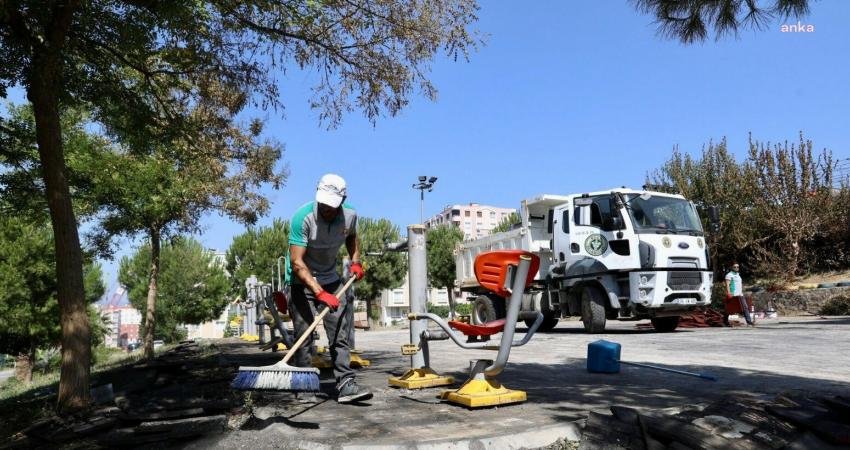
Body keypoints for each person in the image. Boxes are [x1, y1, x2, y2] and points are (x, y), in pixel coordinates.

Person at [287, 173, 371, 403]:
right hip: (301, 280)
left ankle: (346, 384)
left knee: (339, 333)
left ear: (343, 200)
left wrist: (355, 260)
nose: (326, 209)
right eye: (323, 204)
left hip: (331, 279)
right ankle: (303, 387)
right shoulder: (302, 218)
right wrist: (319, 292)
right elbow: (297, 262)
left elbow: (352, 237)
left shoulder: (350, 215)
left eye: (331, 205)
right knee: (303, 336)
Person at [724, 262, 754, 327]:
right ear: (731, 267)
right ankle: (725, 322)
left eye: (737, 267)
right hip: (733, 295)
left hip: (740, 294)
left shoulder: (738, 275)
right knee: (730, 309)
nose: (736, 268)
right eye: (735, 267)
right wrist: (729, 293)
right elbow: (727, 285)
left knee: (745, 308)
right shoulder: (729, 275)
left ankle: (749, 322)